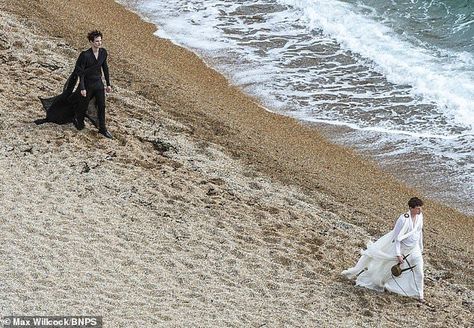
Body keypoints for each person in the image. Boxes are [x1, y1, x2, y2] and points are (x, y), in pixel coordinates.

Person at [342, 197, 425, 302]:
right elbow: (396, 238)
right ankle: (387, 284)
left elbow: (419, 232)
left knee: (419, 272)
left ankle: (420, 295)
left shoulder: (419, 216)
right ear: (411, 208)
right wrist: (398, 254)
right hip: (402, 249)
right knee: (388, 270)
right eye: (417, 208)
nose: (420, 210)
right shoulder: (403, 219)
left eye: (420, 208)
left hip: (415, 249)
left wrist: (421, 247)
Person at [36, 30, 113, 138]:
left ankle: (102, 129)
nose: (99, 43)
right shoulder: (85, 55)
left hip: (98, 84)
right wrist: (82, 87)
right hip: (87, 85)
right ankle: (79, 120)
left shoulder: (103, 52)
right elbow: (80, 73)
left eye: (100, 41)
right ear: (91, 42)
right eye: (96, 41)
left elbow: (105, 68)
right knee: (83, 105)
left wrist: (108, 84)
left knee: (102, 106)